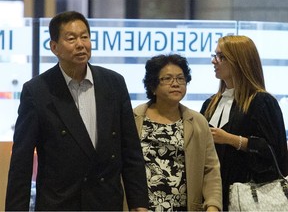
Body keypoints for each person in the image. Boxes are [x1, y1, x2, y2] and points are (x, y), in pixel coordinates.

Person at [5, 11, 148, 211]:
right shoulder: (37, 91)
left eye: (85, 37)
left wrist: (139, 203)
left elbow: (130, 149)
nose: (81, 44)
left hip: (106, 202)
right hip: (61, 202)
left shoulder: (114, 83)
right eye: (71, 39)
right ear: (54, 47)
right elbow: (22, 161)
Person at [200, 35, 288, 211]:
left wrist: (232, 139)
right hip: (212, 197)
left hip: (249, 197)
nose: (214, 61)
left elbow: (276, 154)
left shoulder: (262, 102)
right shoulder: (210, 104)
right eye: (215, 55)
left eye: (221, 57)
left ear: (239, 62)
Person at [133, 54, 222, 211]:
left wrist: (213, 205)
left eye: (181, 79)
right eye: (167, 79)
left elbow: (211, 170)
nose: (175, 84)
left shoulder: (198, 122)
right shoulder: (134, 119)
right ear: (153, 86)